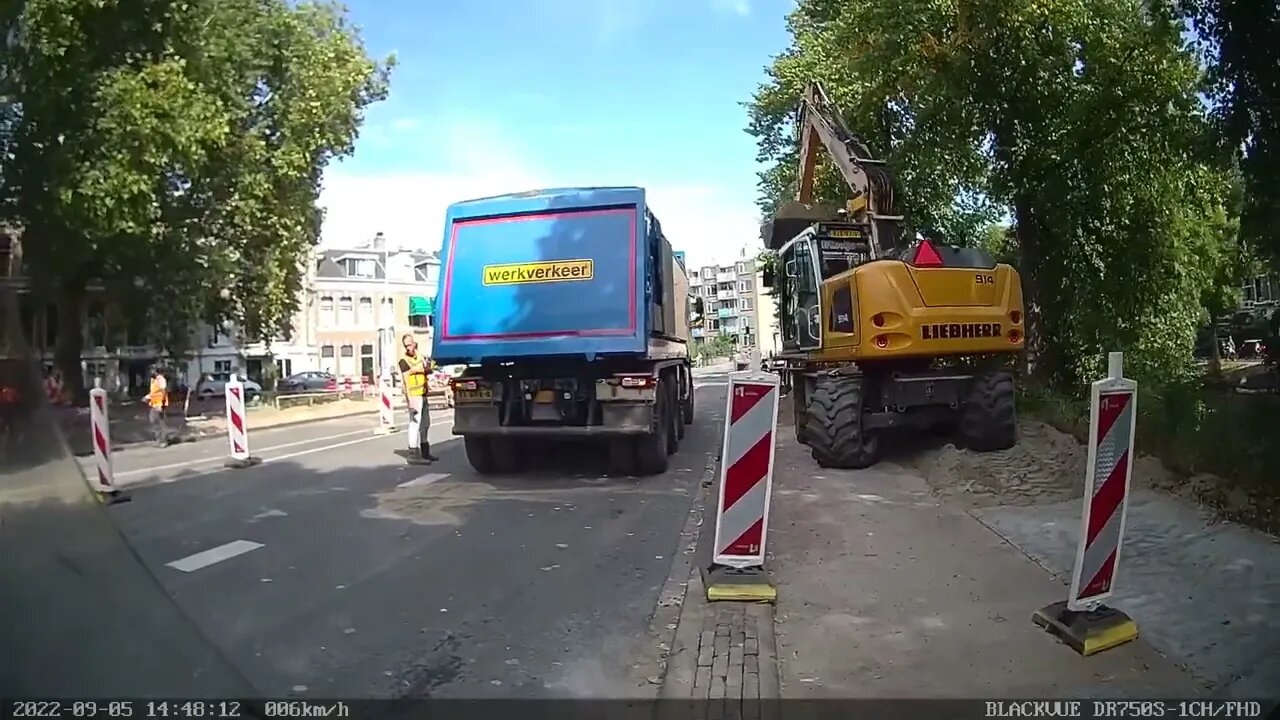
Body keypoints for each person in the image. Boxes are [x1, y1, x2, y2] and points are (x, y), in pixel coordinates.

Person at [397, 334, 439, 463]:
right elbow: (405, 380)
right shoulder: (404, 361)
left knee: (425, 423)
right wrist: (409, 399)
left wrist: (428, 367)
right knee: (415, 423)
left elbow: (429, 369)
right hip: (414, 395)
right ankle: (413, 453)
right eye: (406, 345)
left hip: (423, 392)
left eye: (410, 344)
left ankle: (425, 451)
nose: (408, 347)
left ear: (414, 343)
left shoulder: (420, 356)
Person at [147, 366, 169, 447]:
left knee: (161, 423)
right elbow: (153, 392)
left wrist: (160, 404)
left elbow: (162, 392)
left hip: (159, 405)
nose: (150, 372)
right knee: (153, 421)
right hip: (154, 404)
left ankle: (163, 441)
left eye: (152, 370)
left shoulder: (161, 379)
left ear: (156, 371)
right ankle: (158, 439)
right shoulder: (153, 380)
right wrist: (147, 397)